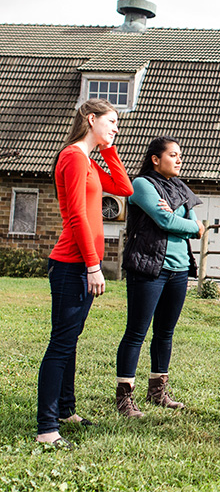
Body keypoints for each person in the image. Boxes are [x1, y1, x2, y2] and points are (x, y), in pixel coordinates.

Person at [37, 99, 134, 448]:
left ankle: (66, 410)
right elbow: (77, 216)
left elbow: (124, 189)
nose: (116, 128)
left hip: (80, 264)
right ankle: (47, 429)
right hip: (72, 264)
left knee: (70, 341)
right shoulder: (73, 157)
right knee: (61, 346)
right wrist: (93, 266)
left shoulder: (89, 160)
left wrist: (110, 150)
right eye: (111, 122)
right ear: (90, 119)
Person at [115, 136, 204, 417]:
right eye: (173, 155)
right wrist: (188, 225)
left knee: (165, 332)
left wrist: (187, 224)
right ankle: (124, 397)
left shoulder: (179, 188)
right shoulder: (142, 185)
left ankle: (157, 391)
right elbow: (168, 221)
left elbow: (195, 226)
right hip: (149, 266)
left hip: (178, 269)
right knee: (137, 332)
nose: (179, 160)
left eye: (180, 155)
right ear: (155, 159)